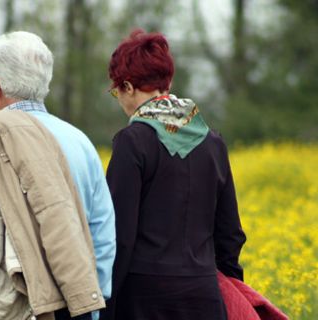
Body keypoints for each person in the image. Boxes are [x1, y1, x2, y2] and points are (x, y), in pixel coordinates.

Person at [0, 31, 116, 320]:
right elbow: (102, 230)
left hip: (13, 305)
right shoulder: (80, 142)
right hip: (77, 302)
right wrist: (90, 299)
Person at [101, 29, 247, 320]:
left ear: (128, 87)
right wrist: (233, 290)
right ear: (167, 82)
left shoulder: (132, 141)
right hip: (204, 295)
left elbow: (120, 235)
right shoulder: (212, 141)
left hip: (144, 299)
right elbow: (229, 234)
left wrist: (107, 304)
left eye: (117, 91)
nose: (119, 99)